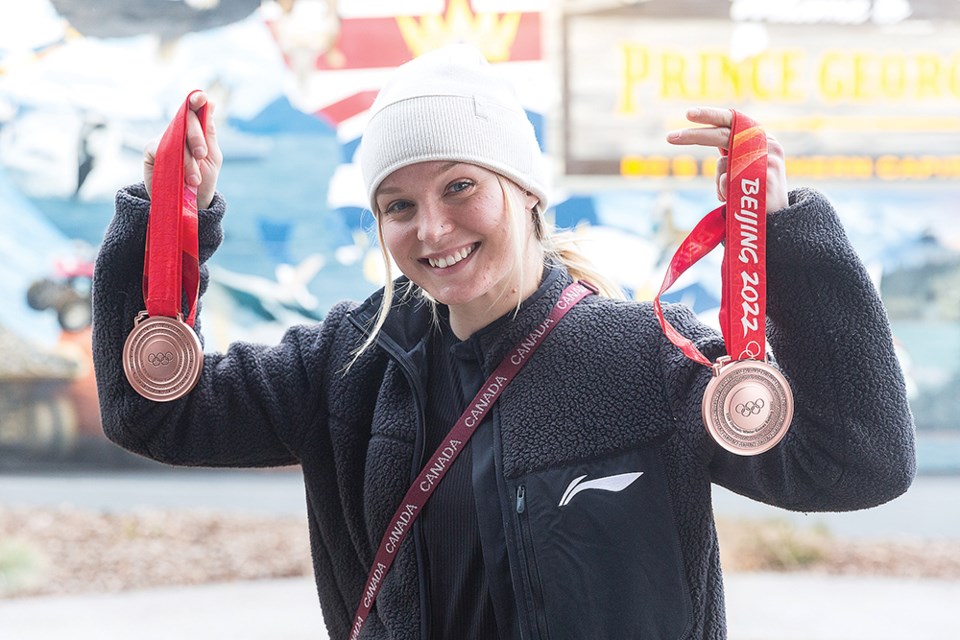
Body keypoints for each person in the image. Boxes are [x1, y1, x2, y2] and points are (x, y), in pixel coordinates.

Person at [91, 44, 915, 639]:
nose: (433, 228)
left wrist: (784, 235)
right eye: (399, 205)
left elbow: (859, 461)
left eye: (460, 186)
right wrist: (167, 224)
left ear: (524, 192)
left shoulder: (644, 359)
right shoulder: (348, 364)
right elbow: (157, 411)